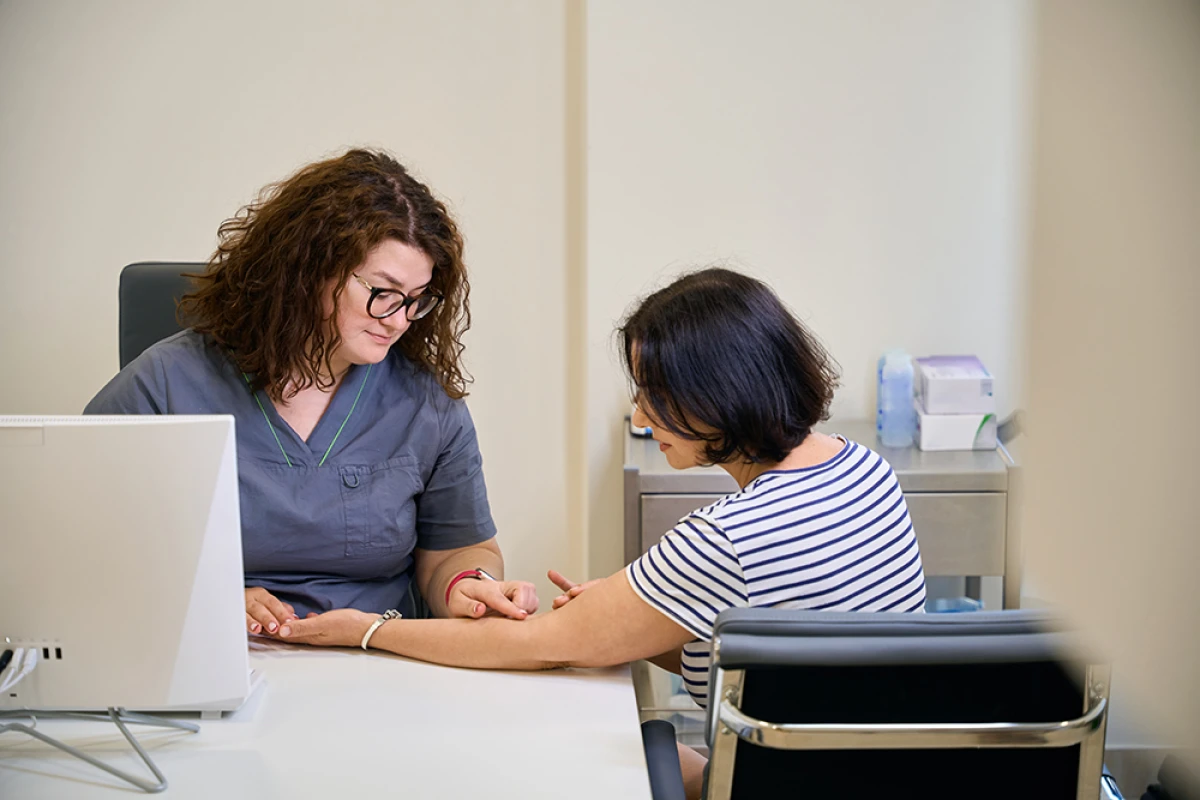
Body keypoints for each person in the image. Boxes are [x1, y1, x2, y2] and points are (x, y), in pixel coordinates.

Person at [280, 267, 928, 798]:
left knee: (563, 747)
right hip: (870, 771)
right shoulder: (862, 468)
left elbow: (537, 646)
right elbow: (790, 649)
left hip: (786, 780)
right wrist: (633, 617)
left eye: (654, 394)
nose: (641, 415)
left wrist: (367, 630)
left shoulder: (727, 538)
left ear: (719, 390)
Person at [86, 148, 538, 633]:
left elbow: (457, 549)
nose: (399, 320)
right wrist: (205, 596)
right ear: (307, 271)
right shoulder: (165, 386)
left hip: (377, 653)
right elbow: (85, 542)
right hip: (223, 651)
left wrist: (466, 583)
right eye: (382, 292)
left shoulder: (425, 404)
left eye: (415, 300)